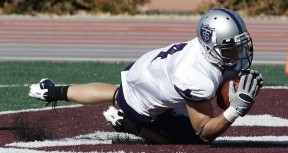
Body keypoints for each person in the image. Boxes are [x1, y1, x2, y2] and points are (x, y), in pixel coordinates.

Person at [29, 8, 263, 144]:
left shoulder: (204, 50)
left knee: (118, 92)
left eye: (240, 44)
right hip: (144, 100)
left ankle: (52, 91)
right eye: (230, 47)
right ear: (210, 45)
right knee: (190, 139)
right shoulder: (197, 77)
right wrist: (234, 110)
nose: (238, 52)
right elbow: (204, 131)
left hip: (144, 69)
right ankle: (132, 125)